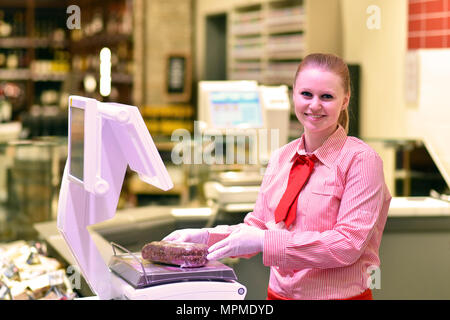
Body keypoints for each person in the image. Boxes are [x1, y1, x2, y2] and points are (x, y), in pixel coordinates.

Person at [164, 53, 392, 300]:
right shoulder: (281, 157)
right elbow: (258, 227)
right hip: (277, 295)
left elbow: (346, 245)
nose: (314, 105)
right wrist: (204, 238)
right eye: (306, 94)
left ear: (345, 101)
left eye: (326, 96)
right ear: (293, 94)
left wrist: (265, 241)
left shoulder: (361, 161)